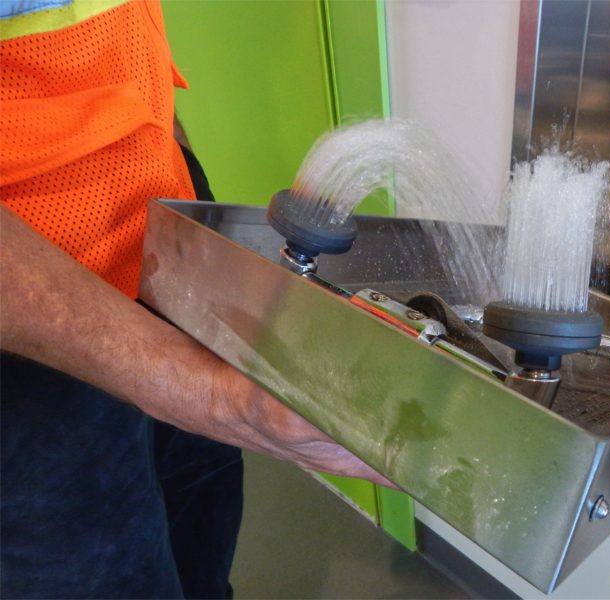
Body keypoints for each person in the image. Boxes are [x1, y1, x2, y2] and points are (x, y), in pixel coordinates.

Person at [0, 1, 390, 597]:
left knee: (201, 508)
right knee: (101, 571)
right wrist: (208, 395)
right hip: (31, 333)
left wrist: (166, 144)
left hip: (163, 209)